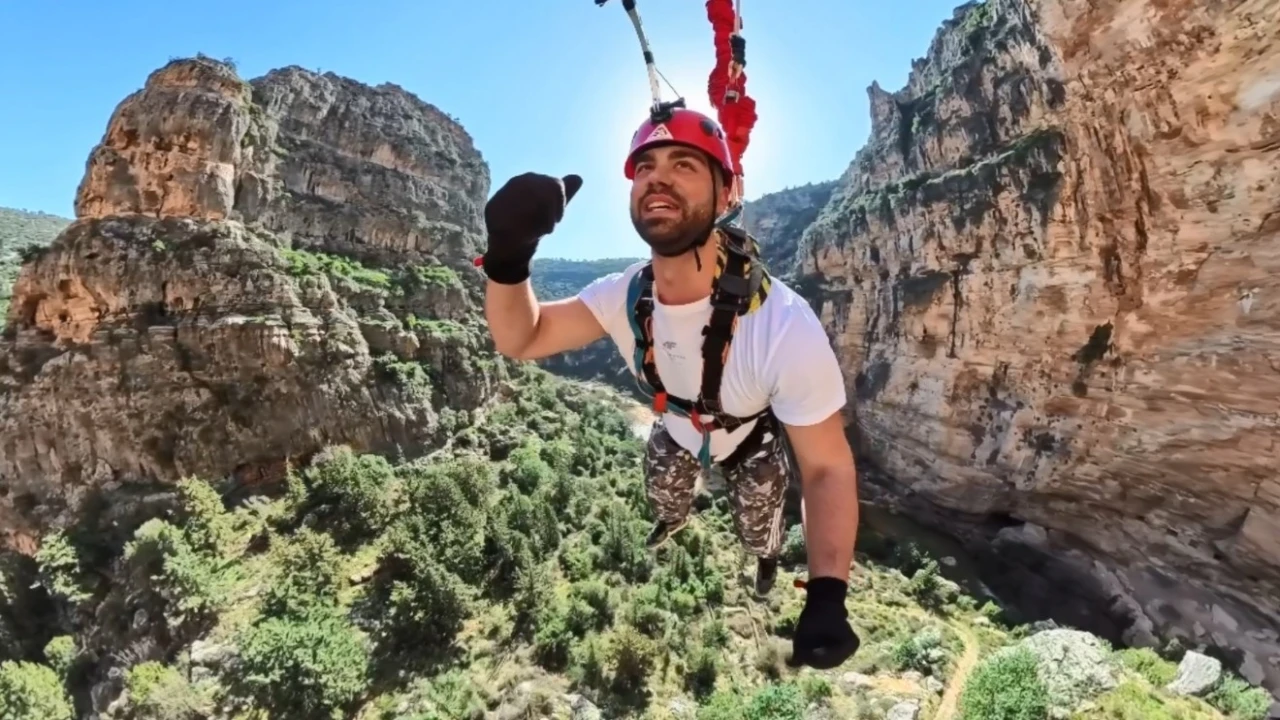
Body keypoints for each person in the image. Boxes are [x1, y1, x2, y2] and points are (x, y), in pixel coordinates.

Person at [478, 106, 860, 669]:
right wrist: (509, 257)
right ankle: (673, 518)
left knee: (760, 523)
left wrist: (828, 591)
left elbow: (826, 467)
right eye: (645, 167)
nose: (658, 177)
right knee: (662, 490)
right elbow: (523, 336)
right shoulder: (624, 296)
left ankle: (765, 557)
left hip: (748, 443)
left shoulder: (782, 325)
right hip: (677, 431)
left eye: (684, 164)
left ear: (726, 193)